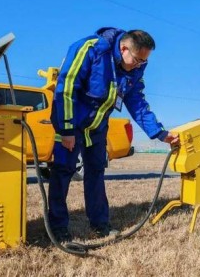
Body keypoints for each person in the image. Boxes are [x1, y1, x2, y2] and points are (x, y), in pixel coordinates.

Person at [49, 27, 179, 242]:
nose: (139, 65)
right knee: (63, 171)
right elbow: (67, 88)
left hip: (98, 126)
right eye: (137, 60)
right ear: (124, 48)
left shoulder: (136, 68)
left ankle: (100, 224)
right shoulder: (90, 49)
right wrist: (66, 129)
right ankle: (58, 227)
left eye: (143, 62)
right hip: (72, 122)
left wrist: (159, 133)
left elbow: (137, 102)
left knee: (96, 172)